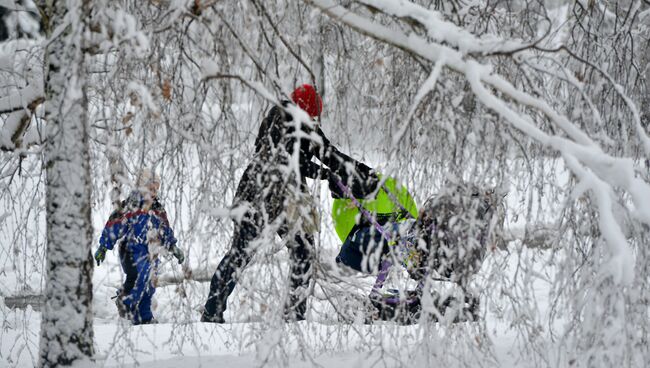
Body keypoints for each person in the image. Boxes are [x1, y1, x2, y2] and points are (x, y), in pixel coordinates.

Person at [201, 84, 377, 323]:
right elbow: (296, 162)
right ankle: (212, 313)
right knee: (242, 254)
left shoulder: (305, 124)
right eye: (311, 114)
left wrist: (362, 171)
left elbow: (329, 154)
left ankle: (294, 315)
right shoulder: (279, 120)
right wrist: (327, 175)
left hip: (286, 198)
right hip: (260, 195)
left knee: (302, 253)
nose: (314, 120)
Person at [332, 179, 503, 323]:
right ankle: (421, 293)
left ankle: (379, 296)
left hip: (423, 246)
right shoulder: (461, 225)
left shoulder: (435, 222)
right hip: (446, 254)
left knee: (391, 243)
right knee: (398, 241)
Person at [94, 170, 184, 325]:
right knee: (142, 278)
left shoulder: (158, 210)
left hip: (151, 252)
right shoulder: (130, 207)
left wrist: (173, 246)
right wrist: (103, 247)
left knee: (150, 283)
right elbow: (113, 227)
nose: (154, 193)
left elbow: (165, 231)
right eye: (151, 189)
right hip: (130, 251)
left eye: (156, 189)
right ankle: (127, 303)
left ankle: (142, 314)